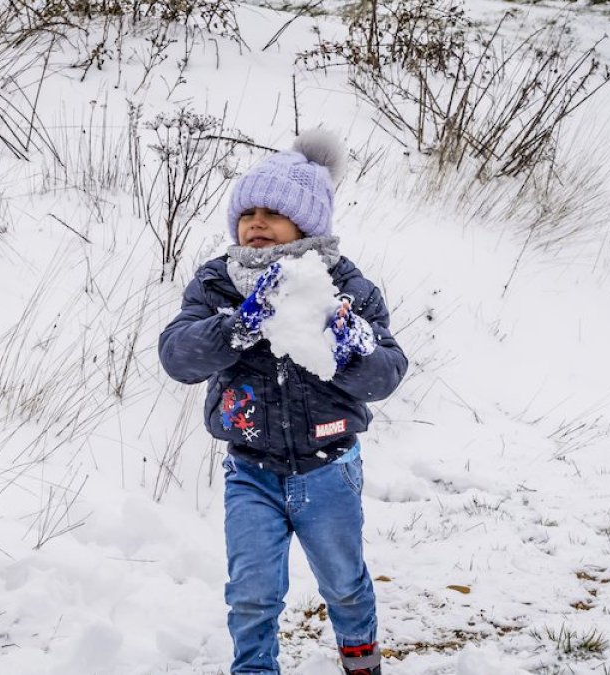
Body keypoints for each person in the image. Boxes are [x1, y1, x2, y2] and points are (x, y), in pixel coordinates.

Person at [158, 129, 408, 675]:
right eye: (248, 211)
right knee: (251, 592)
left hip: (328, 469)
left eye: (274, 211)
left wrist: (353, 350)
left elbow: (387, 373)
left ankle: (361, 662)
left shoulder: (346, 287)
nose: (257, 222)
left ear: (308, 223)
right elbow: (177, 357)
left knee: (343, 582)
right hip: (250, 470)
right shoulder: (218, 284)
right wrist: (234, 328)